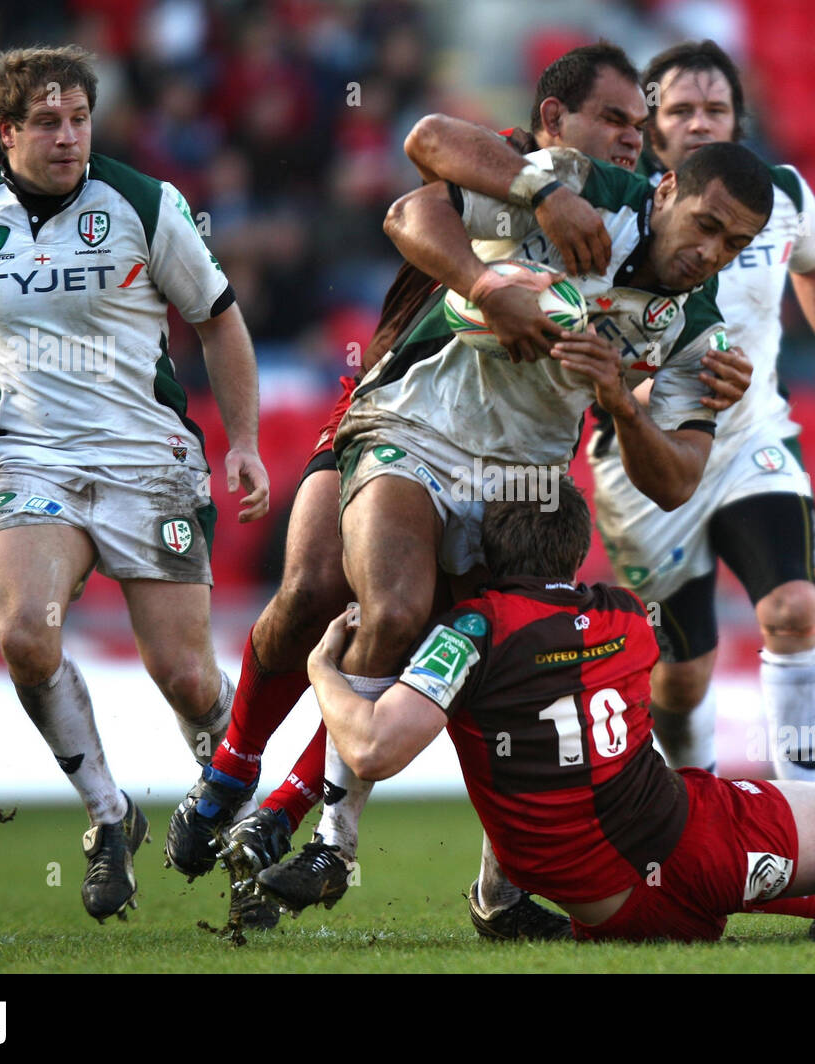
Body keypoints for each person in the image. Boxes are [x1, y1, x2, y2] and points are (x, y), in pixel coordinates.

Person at [168, 43, 747, 936]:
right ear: (560, 124)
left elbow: (674, 477)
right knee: (336, 598)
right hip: (403, 408)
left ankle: (328, 827)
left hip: (519, 480)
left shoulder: (696, 326)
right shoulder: (552, 180)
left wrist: (619, 406)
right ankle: (244, 777)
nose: (632, 143)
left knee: (473, 652)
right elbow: (419, 168)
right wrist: (504, 257)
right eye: (618, 124)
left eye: (733, 243)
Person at [269, 480, 815, 943]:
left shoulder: (469, 631)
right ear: (577, 549)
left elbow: (370, 750)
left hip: (606, 908)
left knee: (533, 762)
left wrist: (320, 668)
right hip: (695, 849)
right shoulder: (628, 616)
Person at [0, 45, 269, 923]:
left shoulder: (144, 203)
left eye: (80, 119)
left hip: (150, 459)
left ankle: (240, 823)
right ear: (6, 131)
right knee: (27, 634)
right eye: (48, 123)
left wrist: (246, 441)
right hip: (34, 458)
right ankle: (110, 818)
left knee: (185, 678)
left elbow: (219, 322)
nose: (69, 137)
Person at [590, 41, 815, 780]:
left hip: (752, 438)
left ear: (738, 118)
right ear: (652, 123)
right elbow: (580, 335)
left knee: (793, 609)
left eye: (716, 108)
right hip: (644, 457)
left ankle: (804, 813)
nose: (700, 122)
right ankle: (697, 807)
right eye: (681, 109)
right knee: (681, 679)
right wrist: (647, 391)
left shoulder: (782, 194)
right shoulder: (622, 207)